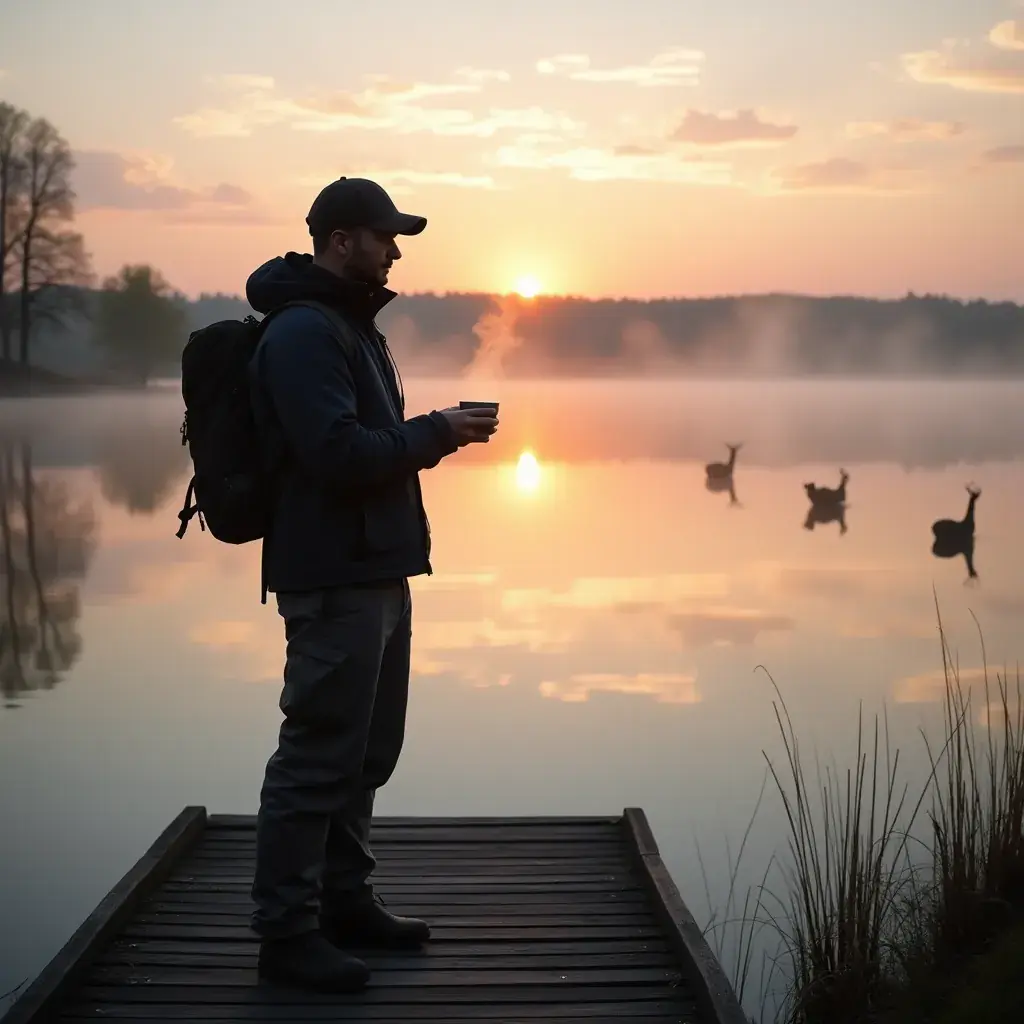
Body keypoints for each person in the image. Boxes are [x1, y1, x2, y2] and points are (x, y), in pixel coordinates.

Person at [244, 177, 499, 992]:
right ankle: (286, 935)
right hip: (332, 577)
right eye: (386, 237)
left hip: (378, 572)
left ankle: (345, 904)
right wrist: (437, 433)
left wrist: (423, 433)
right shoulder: (303, 334)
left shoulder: (352, 329)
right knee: (317, 756)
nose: (396, 252)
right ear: (342, 239)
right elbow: (337, 456)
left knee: (366, 756)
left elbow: (366, 444)